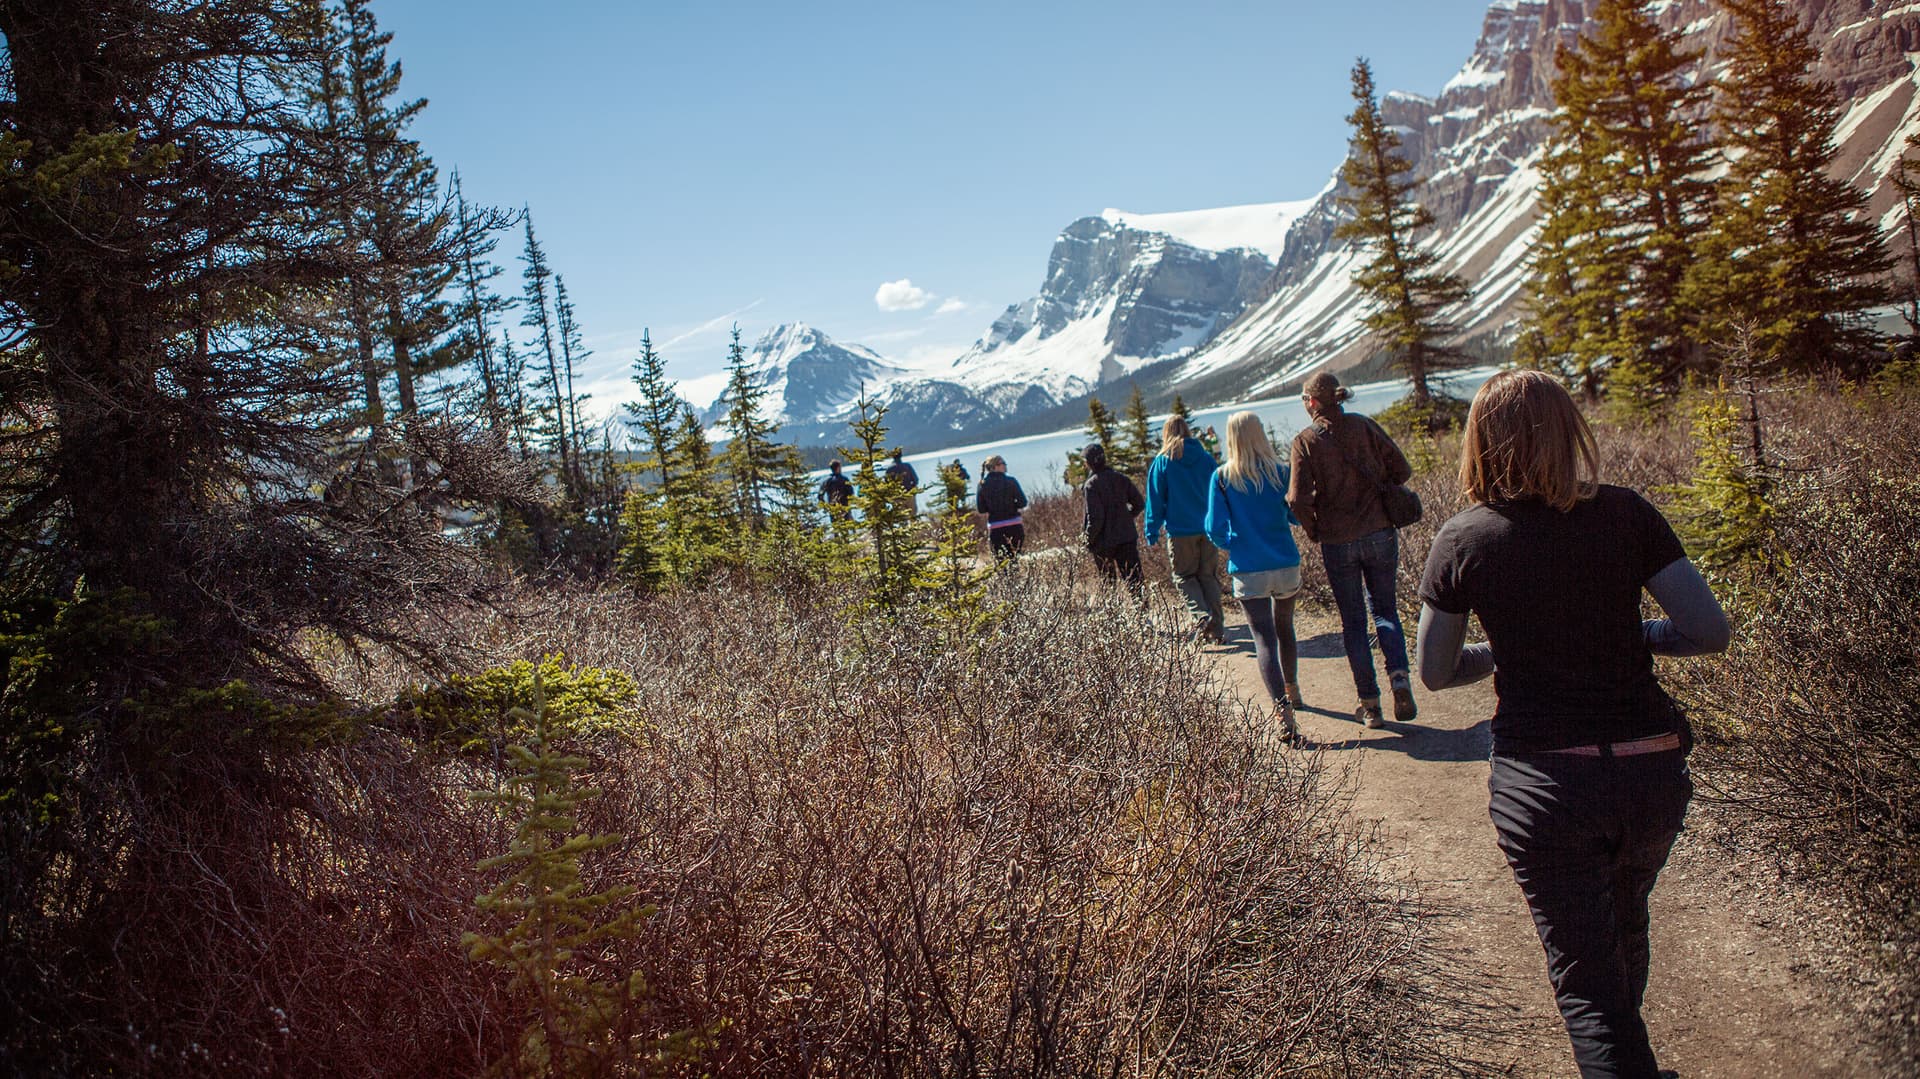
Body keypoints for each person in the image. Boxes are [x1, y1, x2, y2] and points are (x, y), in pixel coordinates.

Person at [1416, 370, 1730, 1079]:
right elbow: (1709, 630)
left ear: (1480, 444)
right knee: (1624, 920)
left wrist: (1501, 652)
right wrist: (1645, 636)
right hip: (1650, 772)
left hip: (1546, 788)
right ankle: (1631, 1057)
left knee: (1589, 985)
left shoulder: (1464, 537)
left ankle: (1623, 1060)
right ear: (1569, 430)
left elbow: (1434, 673)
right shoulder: (1627, 513)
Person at [1288, 370, 1416, 729]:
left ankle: (1370, 704)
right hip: (1380, 533)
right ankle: (1400, 679)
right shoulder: (1364, 426)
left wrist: (1315, 530)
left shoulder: (1305, 442)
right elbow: (1402, 470)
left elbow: (1297, 498)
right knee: (1386, 610)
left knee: (1354, 622)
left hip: (1337, 541)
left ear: (1313, 402)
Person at [1205, 411, 1306, 746]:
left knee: (1264, 641)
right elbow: (1295, 515)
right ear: (1260, 434)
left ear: (1231, 438)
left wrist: (1235, 544)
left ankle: (1283, 714)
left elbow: (1214, 528)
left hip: (1249, 569)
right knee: (1285, 628)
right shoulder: (1281, 472)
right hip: (1285, 563)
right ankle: (1293, 689)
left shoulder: (1222, 478)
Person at [1145, 415, 1226, 643]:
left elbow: (1156, 499)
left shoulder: (1162, 462)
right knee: (1208, 577)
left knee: (1183, 577)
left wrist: (1152, 530)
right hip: (1208, 529)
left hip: (1181, 532)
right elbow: (1219, 491)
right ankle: (1217, 630)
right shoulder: (1206, 459)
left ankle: (1201, 616)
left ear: (1166, 433)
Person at [1081, 443, 1144, 597]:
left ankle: (1113, 617)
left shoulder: (1091, 485)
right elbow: (1139, 504)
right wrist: (1126, 518)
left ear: (1089, 463)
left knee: (1109, 586)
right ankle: (1144, 616)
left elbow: (1095, 518)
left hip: (1103, 543)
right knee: (1135, 582)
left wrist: (1087, 539)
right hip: (1126, 538)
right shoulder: (1121, 478)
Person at [975, 454, 1027, 563]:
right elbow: (1023, 503)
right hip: (1015, 526)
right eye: (1003, 463)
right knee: (1014, 560)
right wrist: (1012, 506)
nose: (1006, 466)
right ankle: (1016, 579)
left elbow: (981, 509)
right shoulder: (1011, 481)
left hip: (996, 528)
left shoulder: (982, 484)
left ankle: (1006, 580)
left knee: (1001, 563)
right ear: (995, 466)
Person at [884, 449, 920, 516]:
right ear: (901, 455)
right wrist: (913, 491)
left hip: (897, 498)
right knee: (913, 517)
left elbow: (887, 485)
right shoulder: (907, 466)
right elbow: (916, 480)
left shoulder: (889, 470)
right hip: (909, 494)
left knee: (902, 519)